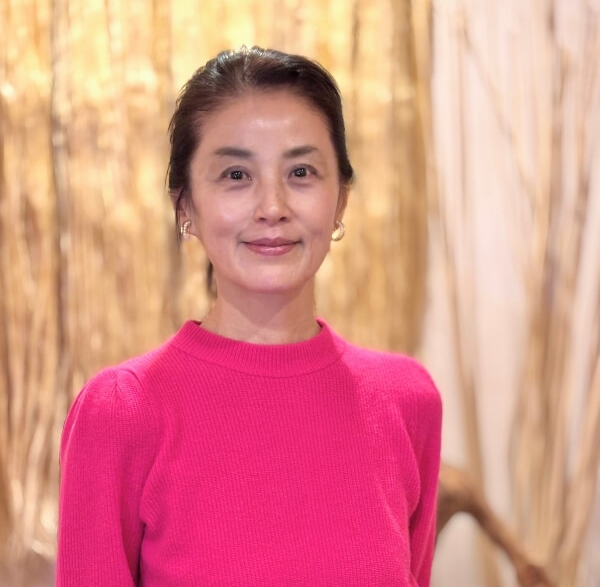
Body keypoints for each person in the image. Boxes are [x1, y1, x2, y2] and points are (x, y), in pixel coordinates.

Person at [56, 46, 442, 587]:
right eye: (236, 174)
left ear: (341, 199)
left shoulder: (407, 400)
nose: (272, 207)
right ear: (185, 206)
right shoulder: (122, 411)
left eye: (301, 171)